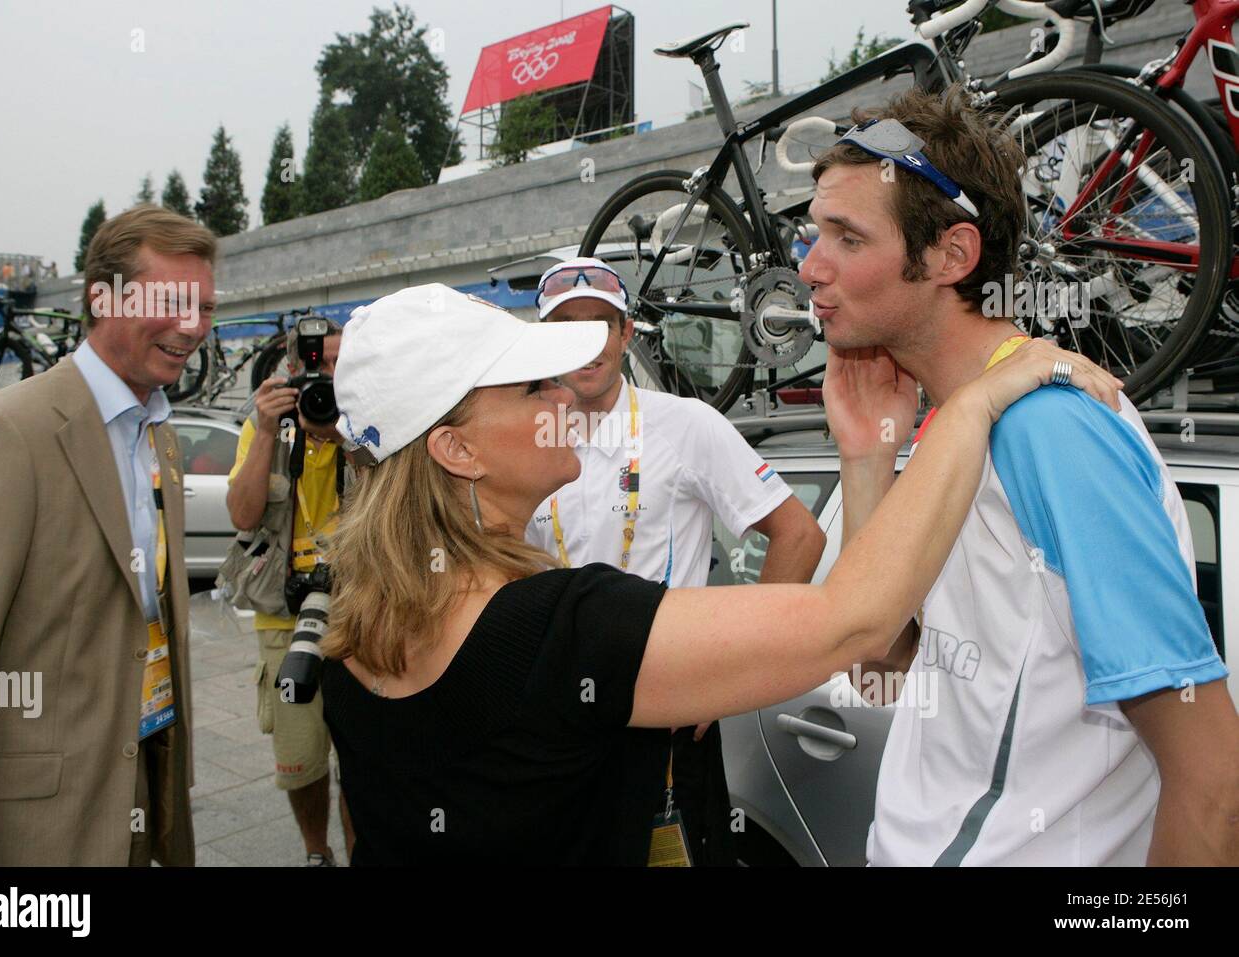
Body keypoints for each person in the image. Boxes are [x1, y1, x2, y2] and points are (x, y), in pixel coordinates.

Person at [319, 282, 1117, 866]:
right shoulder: (563, 624)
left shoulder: (359, 626)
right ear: (456, 449)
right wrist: (977, 403)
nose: (563, 395)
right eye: (532, 388)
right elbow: (857, 620)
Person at [803, 87, 1238, 865]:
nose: (810, 268)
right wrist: (868, 457)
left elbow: (1213, 779)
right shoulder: (958, 417)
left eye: (846, 237)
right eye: (814, 235)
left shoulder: (1051, 428)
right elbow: (876, 672)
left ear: (952, 256)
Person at [524, 257, 826, 865]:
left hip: (664, 714)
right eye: (566, 329)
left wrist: (733, 675)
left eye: (600, 325)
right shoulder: (527, 436)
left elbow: (799, 535)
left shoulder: (684, 424)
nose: (586, 344)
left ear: (627, 333)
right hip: (561, 719)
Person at [0, 204, 215, 865]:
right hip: (40, 834)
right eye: (172, 299)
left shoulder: (162, 435)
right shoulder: (1, 433)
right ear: (101, 298)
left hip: (143, 793)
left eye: (205, 305)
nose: (192, 325)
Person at [226, 318, 355, 867]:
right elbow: (243, 514)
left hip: (360, 612)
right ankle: (315, 853)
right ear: (291, 368)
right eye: (314, 365)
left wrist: (340, 435)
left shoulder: (368, 423)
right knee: (300, 759)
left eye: (336, 365)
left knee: (363, 758)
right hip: (285, 615)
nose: (323, 377)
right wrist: (266, 427)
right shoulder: (269, 427)